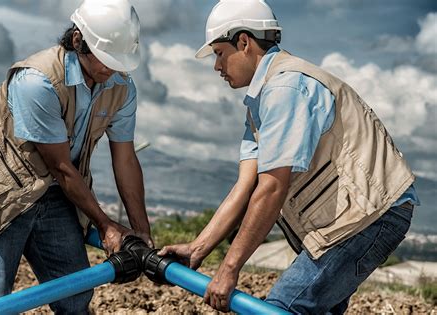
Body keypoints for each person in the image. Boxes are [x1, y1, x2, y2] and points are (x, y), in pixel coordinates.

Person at [159, 0, 419, 313]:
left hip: (368, 217)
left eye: (218, 53)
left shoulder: (286, 88)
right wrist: (197, 249)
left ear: (244, 42)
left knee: (282, 308)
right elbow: (247, 186)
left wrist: (229, 269)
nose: (216, 66)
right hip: (356, 218)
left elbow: (270, 189)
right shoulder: (261, 100)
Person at [0, 0, 153, 312]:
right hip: (2, 187)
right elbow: (62, 167)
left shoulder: (120, 86)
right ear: (78, 41)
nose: (113, 68)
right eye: (106, 59)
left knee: (75, 296)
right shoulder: (36, 81)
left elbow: (126, 159)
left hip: (55, 193)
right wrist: (106, 225)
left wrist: (141, 232)